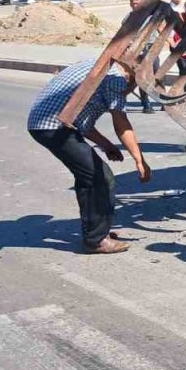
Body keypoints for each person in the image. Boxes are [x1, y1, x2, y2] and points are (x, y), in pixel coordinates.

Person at [27, 58, 151, 254]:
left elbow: (81, 120)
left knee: (87, 178)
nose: (131, 91)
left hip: (49, 124)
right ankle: (96, 240)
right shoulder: (116, 79)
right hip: (52, 127)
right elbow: (121, 122)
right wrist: (139, 160)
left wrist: (106, 145)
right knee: (100, 178)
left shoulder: (101, 66)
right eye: (136, 85)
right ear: (133, 76)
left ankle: (97, 231)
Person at [128, 0, 154, 114]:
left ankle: (163, 101)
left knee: (156, 74)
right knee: (141, 76)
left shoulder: (151, 17)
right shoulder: (128, 18)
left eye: (138, 3)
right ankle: (146, 103)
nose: (136, 6)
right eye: (134, 4)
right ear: (130, 4)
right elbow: (125, 36)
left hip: (151, 48)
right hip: (137, 51)